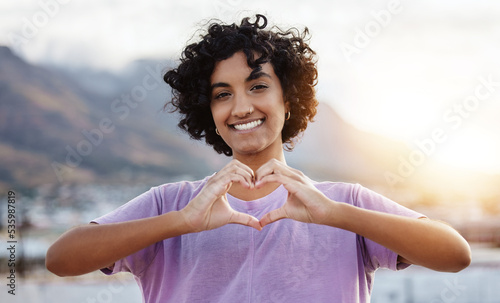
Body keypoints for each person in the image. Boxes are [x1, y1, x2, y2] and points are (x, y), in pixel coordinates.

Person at [46, 14, 471, 303]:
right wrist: (182, 222)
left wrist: (338, 214)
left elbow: (454, 254)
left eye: (258, 86)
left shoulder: (342, 202)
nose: (241, 107)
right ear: (208, 114)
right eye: (222, 94)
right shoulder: (170, 204)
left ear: (289, 100)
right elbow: (61, 259)